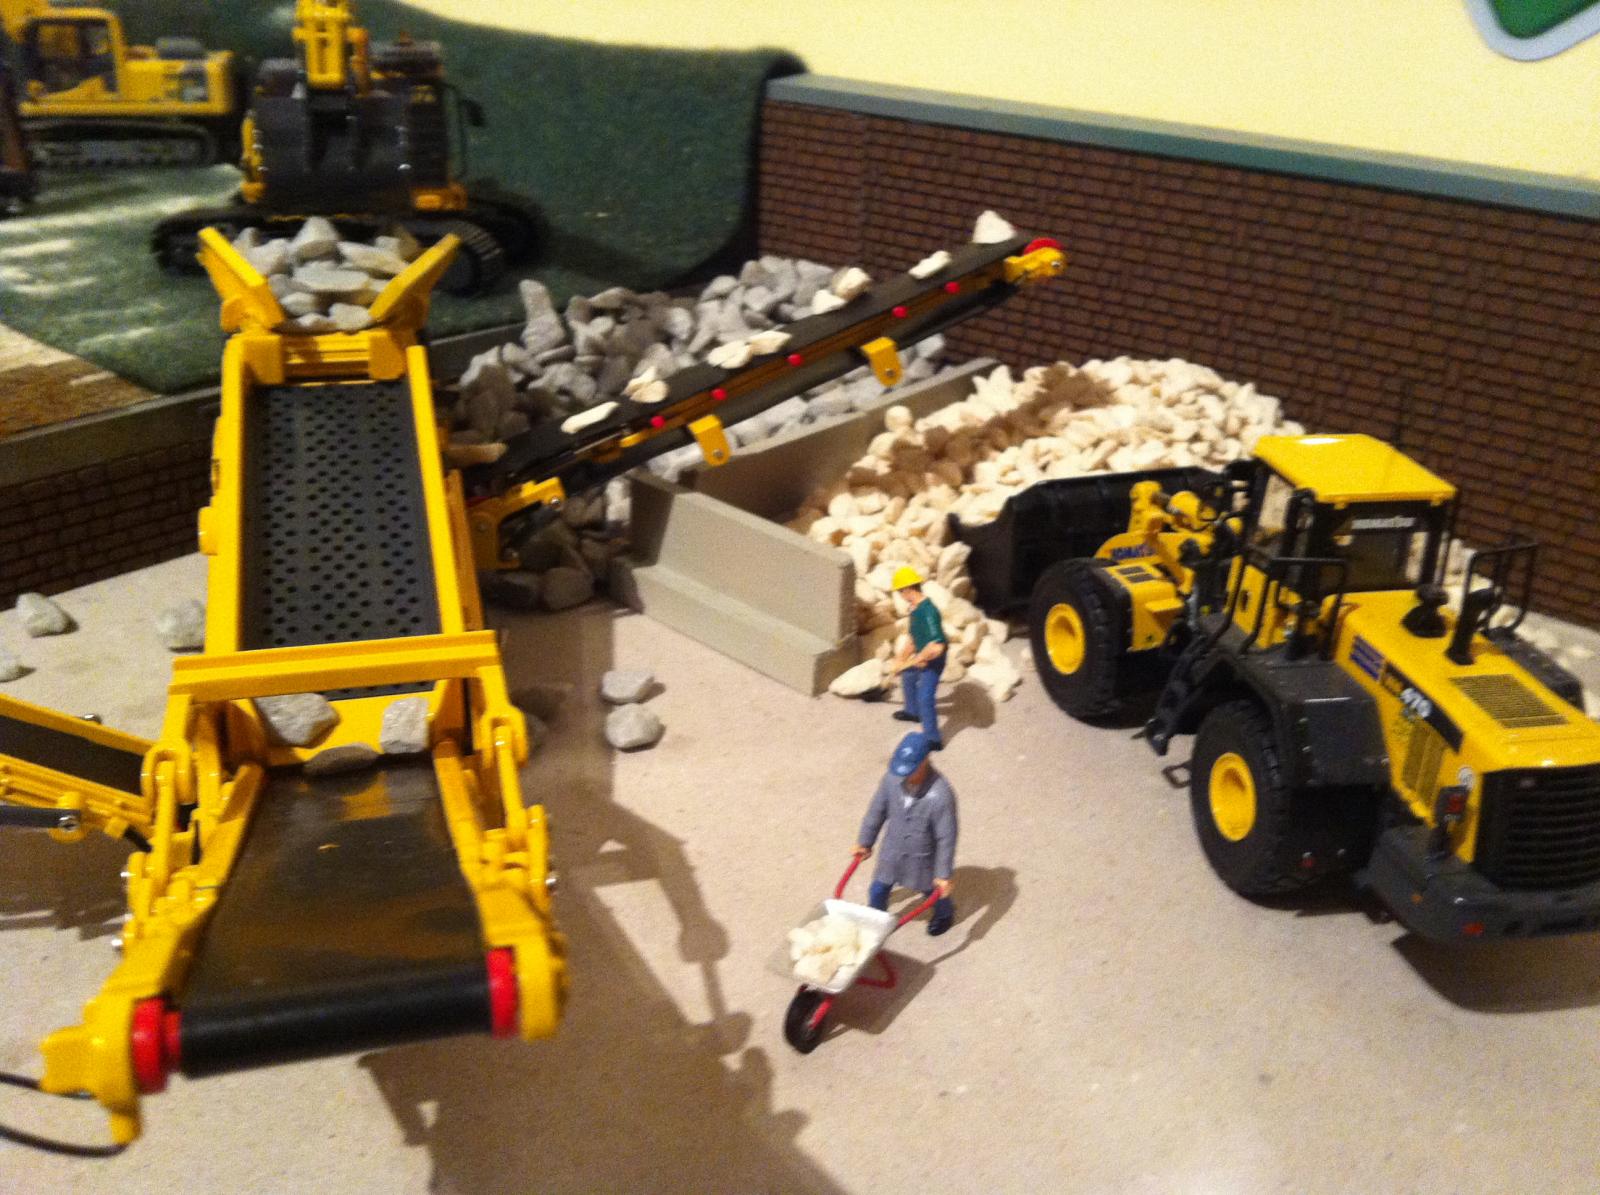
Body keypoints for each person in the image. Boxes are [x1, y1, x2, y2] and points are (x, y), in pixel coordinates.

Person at [852, 732, 957, 935]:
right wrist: (865, 842)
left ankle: (944, 913)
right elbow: (876, 811)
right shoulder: (891, 780)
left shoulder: (940, 795)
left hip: (922, 858)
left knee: (933, 892)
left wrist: (943, 874)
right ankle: (876, 919)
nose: (906, 775)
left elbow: (946, 838)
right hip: (891, 851)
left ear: (925, 761)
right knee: (878, 889)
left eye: (912, 769)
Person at [889, 566, 945, 748]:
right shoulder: (914, 609)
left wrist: (923, 657)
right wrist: (900, 659)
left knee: (925, 697)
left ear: (907, 590)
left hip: (934, 661)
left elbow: (938, 646)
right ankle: (912, 712)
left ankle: (933, 739)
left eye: (900, 591)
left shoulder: (929, 612)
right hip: (921, 656)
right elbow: (913, 639)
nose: (900, 595)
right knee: (908, 675)